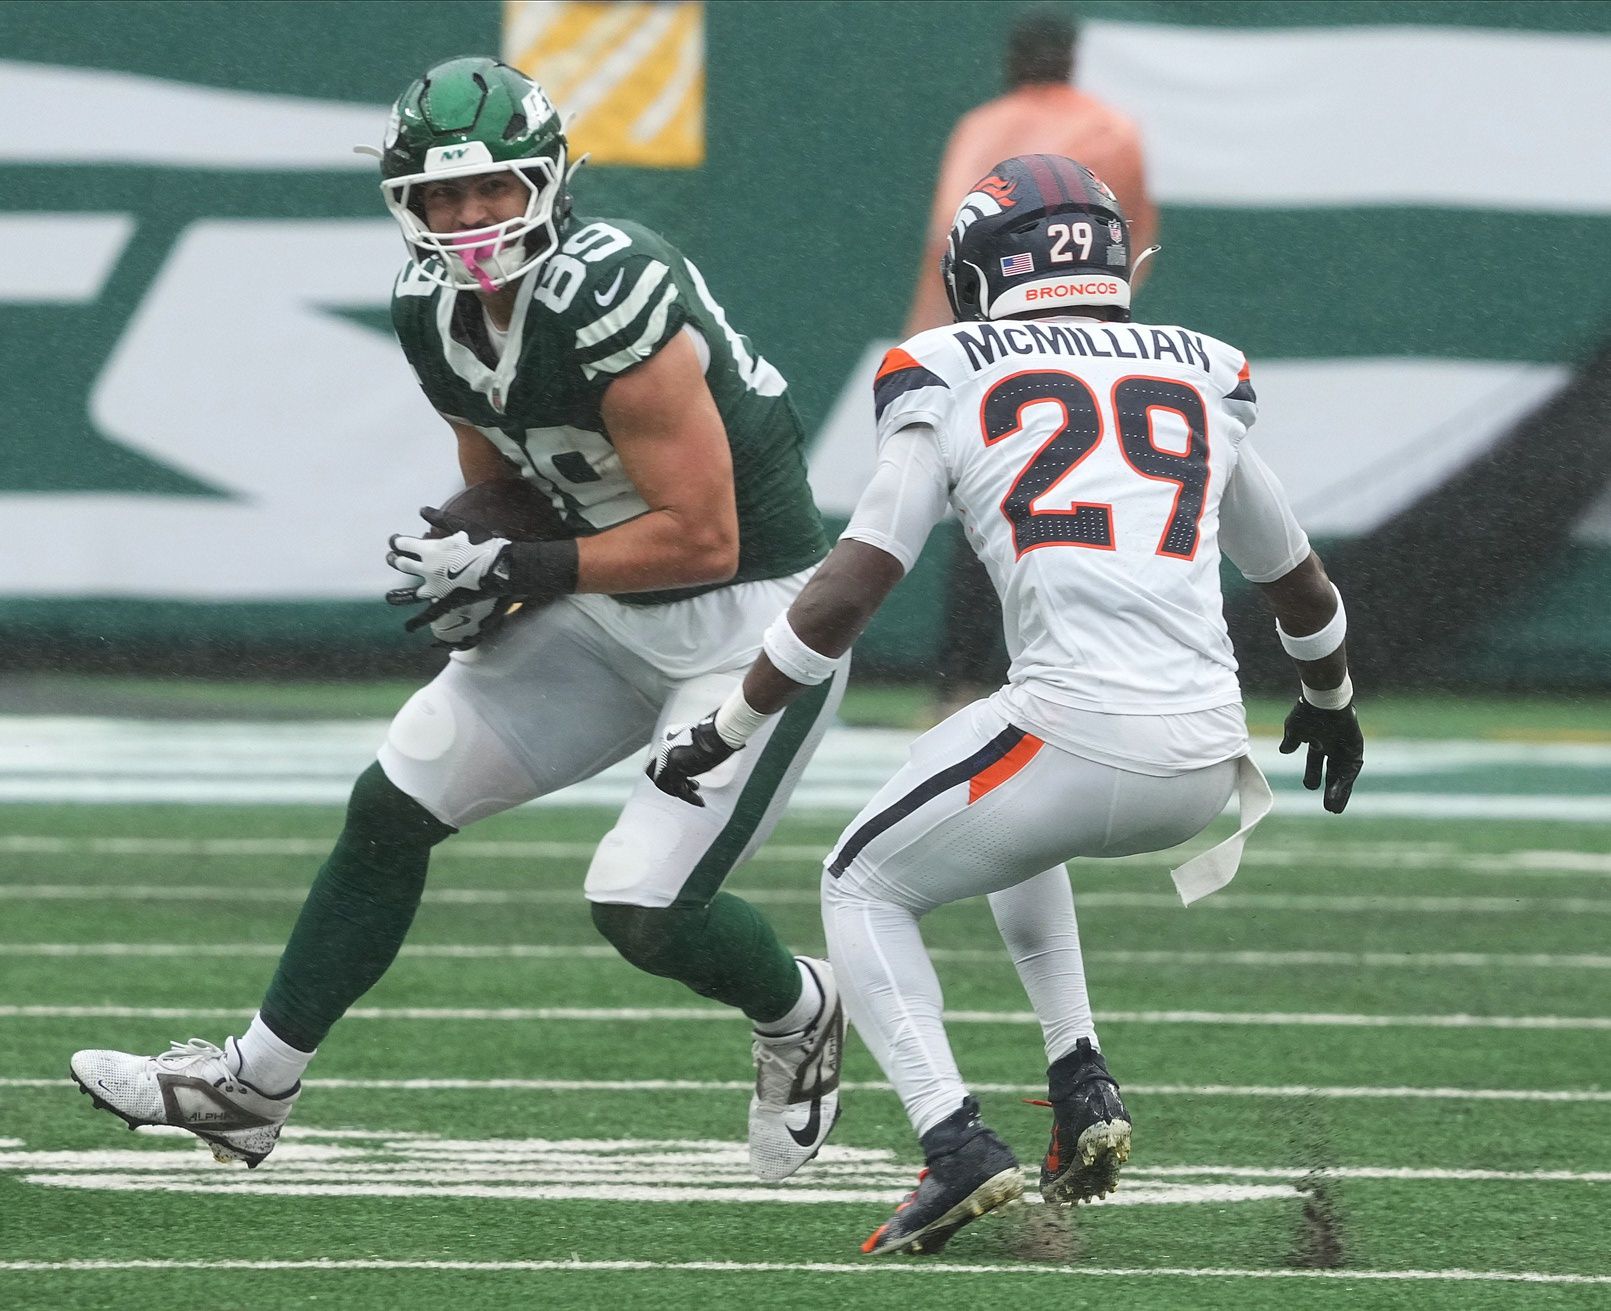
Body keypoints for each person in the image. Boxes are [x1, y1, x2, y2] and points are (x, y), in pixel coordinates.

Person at [69, 56, 846, 1183]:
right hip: (605, 600)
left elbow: (704, 535)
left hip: (753, 625)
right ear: (409, 203)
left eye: (494, 190)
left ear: (550, 184)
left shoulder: (612, 288)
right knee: (395, 798)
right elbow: (505, 481)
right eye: (444, 196)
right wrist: (472, 559)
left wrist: (525, 563)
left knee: (642, 906)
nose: (471, 217)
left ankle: (799, 1009)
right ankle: (252, 1085)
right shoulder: (428, 309)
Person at [648, 154, 1364, 1255]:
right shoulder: (1196, 372)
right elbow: (1299, 584)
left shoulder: (948, 364)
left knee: (861, 882)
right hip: (1207, 759)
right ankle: (1081, 1078)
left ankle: (954, 1144)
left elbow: (859, 577)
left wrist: (731, 723)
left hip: (1080, 737)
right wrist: (1331, 699)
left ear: (983, 269)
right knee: (1006, 803)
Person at [907, 11, 1159, 715]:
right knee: (1096, 508)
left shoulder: (982, 128)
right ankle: (1089, 673)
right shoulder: (1113, 129)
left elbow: (944, 245)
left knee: (986, 514)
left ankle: (958, 683)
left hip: (989, 349)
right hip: (1090, 352)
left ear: (1012, 59)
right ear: (1071, 58)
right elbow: (1135, 243)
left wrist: (929, 347)